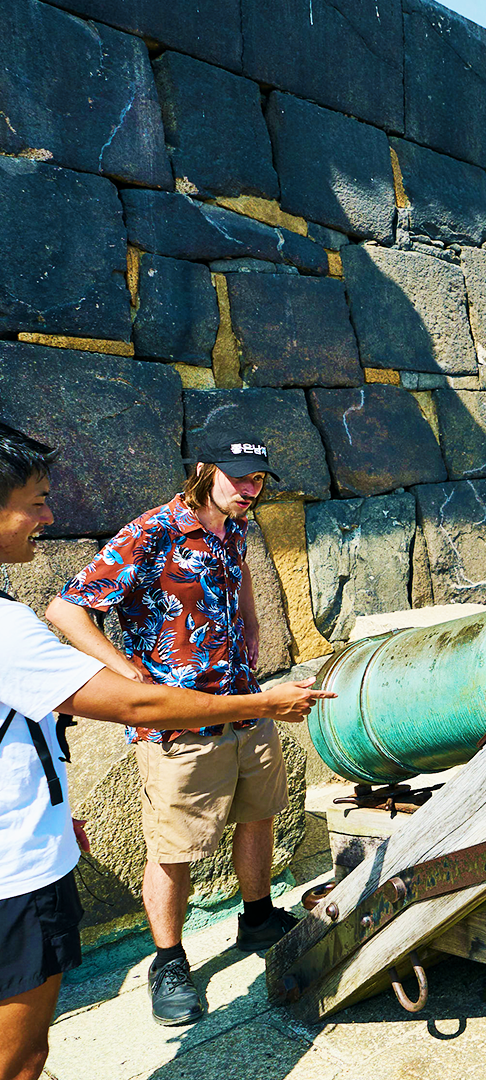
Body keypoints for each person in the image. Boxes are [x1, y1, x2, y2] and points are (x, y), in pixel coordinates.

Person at [0, 422, 331, 1080]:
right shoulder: (151, 532)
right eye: (237, 477)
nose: (248, 489)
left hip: (241, 703)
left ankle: (259, 917)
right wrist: (134, 681)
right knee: (175, 846)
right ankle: (169, 959)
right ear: (202, 470)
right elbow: (70, 610)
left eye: (258, 479)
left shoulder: (235, 529)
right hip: (178, 726)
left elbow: (240, 599)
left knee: (259, 812)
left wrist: (254, 668)